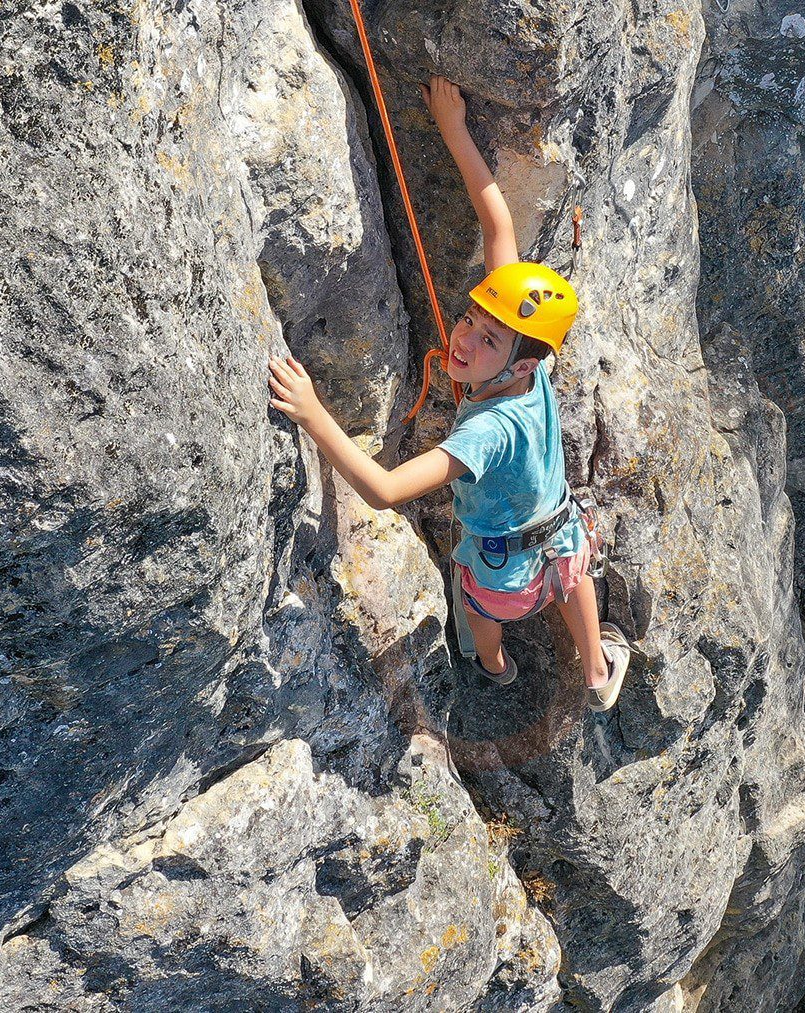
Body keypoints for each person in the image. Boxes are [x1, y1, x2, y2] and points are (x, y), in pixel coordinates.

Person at [266, 76, 629, 711]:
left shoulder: (487, 431)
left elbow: (384, 492)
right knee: (574, 576)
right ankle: (596, 667)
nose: (463, 340)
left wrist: (315, 414)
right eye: (470, 321)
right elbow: (498, 226)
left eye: (485, 341)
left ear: (515, 367)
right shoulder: (530, 357)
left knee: (477, 602)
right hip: (561, 534)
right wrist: (454, 130)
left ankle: (492, 663)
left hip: (500, 572)